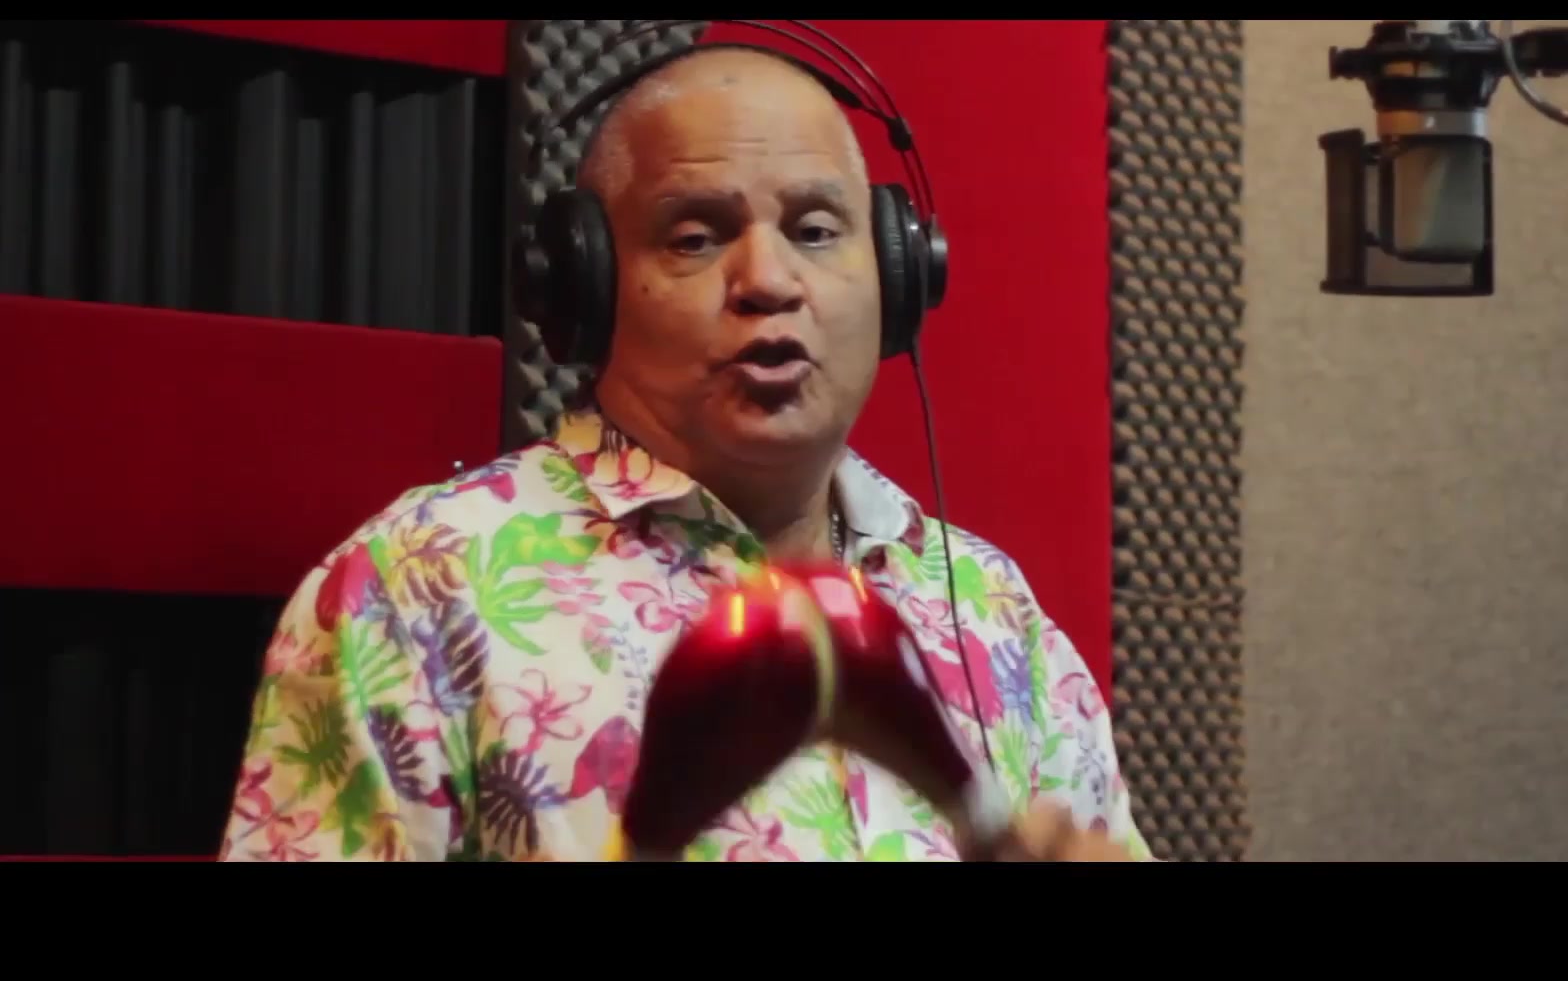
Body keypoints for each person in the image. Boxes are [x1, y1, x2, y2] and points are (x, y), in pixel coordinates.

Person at [216, 42, 1150, 862]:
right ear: (585, 286)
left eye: (815, 231)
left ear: (899, 275)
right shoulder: (414, 589)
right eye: (696, 239)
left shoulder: (990, 607)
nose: (769, 280)